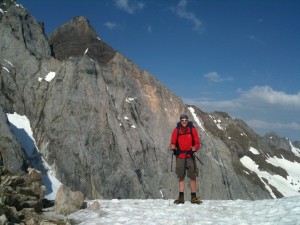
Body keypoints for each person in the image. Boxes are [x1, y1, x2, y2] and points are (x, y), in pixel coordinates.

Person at [170, 114, 201, 204]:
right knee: (181, 176)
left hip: (190, 156)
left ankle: (193, 197)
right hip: (180, 156)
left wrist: (195, 148)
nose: (184, 122)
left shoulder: (192, 130)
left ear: (187, 121)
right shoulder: (176, 130)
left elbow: (197, 142)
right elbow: (173, 142)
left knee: (192, 176)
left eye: (185, 120)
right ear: (180, 121)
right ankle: (181, 198)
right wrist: (172, 146)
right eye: (182, 120)